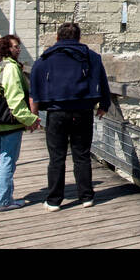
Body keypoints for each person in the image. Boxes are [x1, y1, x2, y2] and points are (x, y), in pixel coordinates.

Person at [29, 22, 112, 210]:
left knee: (56, 157)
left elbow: (34, 89)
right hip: (83, 111)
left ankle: (54, 200)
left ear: (57, 38)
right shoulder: (92, 57)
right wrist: (104, 105)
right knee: (81, 156)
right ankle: (86, 197)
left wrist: (33, 115)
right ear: (78, 38)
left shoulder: (45, 59)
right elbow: (103, 82)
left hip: (56, 112)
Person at [0, 34, 39, 212]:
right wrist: (30, 119)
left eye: (18, 46)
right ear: (6, 49)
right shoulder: (10, 68)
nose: (18, 49)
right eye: (14, 46)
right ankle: (4, 200)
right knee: (7, 160)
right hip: (8, 121)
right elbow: (14, 98)